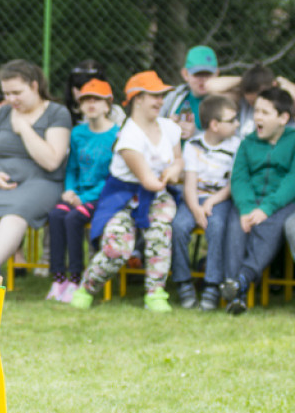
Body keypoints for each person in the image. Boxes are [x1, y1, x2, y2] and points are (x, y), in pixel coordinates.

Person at [71, 71, 183, 312]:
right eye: (154, 95)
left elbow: (178, 160)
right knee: (116, 249)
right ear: (137, 99)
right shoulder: (129, 137)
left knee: (159, 234)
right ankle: (86, 288)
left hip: (157, 197)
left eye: (161, 95)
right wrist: (170, 175)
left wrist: (175, 168)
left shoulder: (170, 128)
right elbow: (149, 181)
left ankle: (155, 294)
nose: (160, 101)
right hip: (121, 197)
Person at [0, 59, 72, 265]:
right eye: (7, 94)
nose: (11, 99)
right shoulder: (1, 114)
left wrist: (24, 128)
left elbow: (52, 161)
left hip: (42, 184)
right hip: (0, 184)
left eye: (17, 93)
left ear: (34, 86)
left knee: (15, 213)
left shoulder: (56, 113)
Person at [221, 87, 295, 314]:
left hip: (280, 202)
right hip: (248, 202)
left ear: (283, 118)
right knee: (235, 230)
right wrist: (246, 209)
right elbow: (239, 178)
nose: (257, 117)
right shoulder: (247, 143)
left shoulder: (293, 141)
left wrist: (266, 208)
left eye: (265, 112)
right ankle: (236, 296)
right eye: (256, 111)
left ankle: (240, 282)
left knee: (268, 230)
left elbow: (292, 180)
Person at [45, 79, 119, 303]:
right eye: (86, 100)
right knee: (56, 215)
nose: (91, 104)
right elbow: (72, 168)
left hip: (102, 196)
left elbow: (112, 176)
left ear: (108, 104)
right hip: (76, 194)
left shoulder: (117, 134)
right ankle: (58, 280)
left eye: (96, 99)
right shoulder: (77, 134)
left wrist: (82, 198)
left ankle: (76, 279)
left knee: (74, 218)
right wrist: (69, 190)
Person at [171, 95, 240, 310]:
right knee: (179, 227)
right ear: (215, 125)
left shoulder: (237, 145)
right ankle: (183, 282)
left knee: (217, 226)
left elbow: (233, 184)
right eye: (232, 120)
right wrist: (195, 208)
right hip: (194, 198)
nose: (237, 123)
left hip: (220, 199)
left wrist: (211, 202)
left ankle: (212, 285)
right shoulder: (192, 145)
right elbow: (189, 184)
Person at [160, 45, 219, 141]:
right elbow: (153, 126)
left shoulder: (222, 101)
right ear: (185, 74)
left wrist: (196, 134)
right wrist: (166, 125)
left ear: (216, 74)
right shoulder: (175, 96)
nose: (203, 80)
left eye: (208, 74)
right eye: (198, 74)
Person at [63, 60, 126, 127]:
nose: (84, 93)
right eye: (79, 87)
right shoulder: (63, 113)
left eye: (90, 88)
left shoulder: (115, 113)